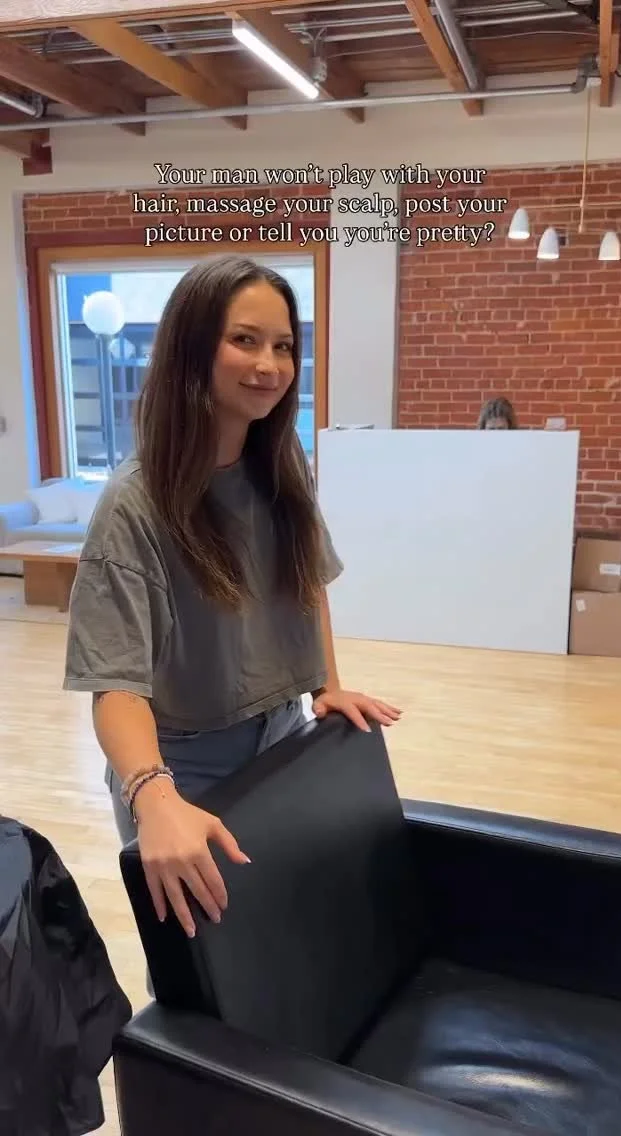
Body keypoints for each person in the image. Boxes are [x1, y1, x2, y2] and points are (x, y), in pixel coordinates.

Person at [63, 255, 401, 940]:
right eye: (244, 340)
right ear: (193, 347)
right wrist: (153, 795)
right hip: (182, 762)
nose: (269, 366)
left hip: (282, 734)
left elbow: (305, 577)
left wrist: (327, 684)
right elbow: (114, 682)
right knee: (205, 969)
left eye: (283, 346)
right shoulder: (135, 504)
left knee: (284, 935)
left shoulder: (281, 461)